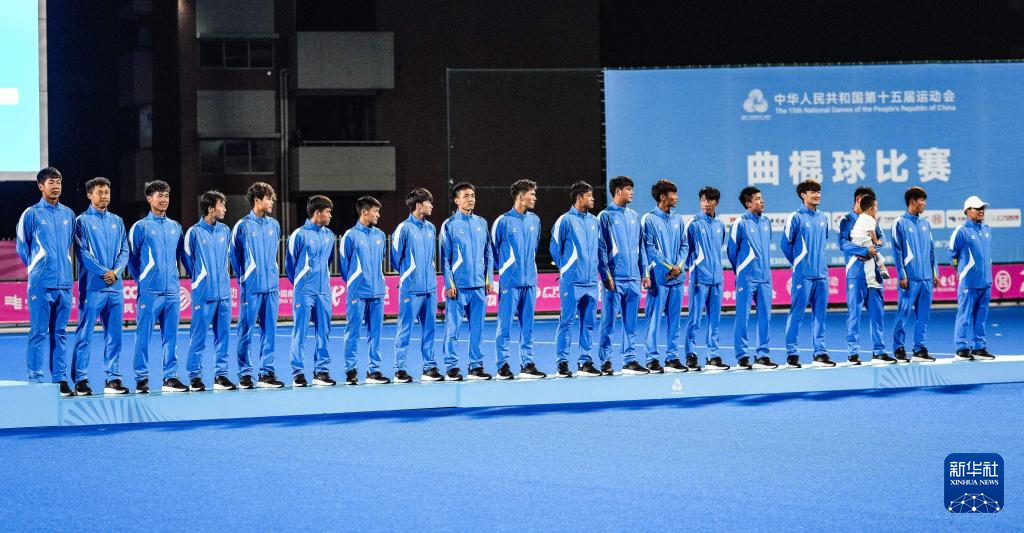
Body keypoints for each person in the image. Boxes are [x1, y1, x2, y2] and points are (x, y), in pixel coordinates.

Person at [16, 167, 76, 395]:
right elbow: (22, 247)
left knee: (60, 333)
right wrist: (37, 269)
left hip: (64, 285)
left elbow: (69, 246)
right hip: (41, 285)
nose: (56, 186)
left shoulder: (68, 214)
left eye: (59, 181)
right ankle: (36, 379)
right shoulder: (31, 214)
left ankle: (60, 379)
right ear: (41, 186)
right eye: (51, 182)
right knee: (39, 332)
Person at [70, 177, 130, 395]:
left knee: (115, 336)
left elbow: (125, 251)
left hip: (115, 288)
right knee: (85, 335)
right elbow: (83, 254)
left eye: (107, 192)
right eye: (100, 192)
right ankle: (81, 379)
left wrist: (115, 273)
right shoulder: (81, 222)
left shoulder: (117, 221)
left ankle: (113, 379)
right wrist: (104, 272)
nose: (104, 196)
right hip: (93, 288)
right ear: (89, 195)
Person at [127, 180, 187, 393]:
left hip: (172, 292)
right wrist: (143, 281)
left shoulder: (175, 227)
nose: (163, 200)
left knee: (171, 338)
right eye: (159, 195)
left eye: (166, 196)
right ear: (149, 198)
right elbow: (131, 258)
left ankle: (170, 377)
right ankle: (141, 378)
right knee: (142, 337)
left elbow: (179, 255)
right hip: (149, 292)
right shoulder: (140, 227)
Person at [231, 182, 284, 389]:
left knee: (269, 332)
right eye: (269, 198)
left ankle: (266, 373)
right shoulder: (242, 226)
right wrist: (244, 279)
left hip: (271, 288)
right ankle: (245, 374)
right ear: (257, 200)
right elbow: (234, 256)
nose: (272, 202)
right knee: (245, 331)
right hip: (251, 288)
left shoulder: (274, 225)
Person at [492, 179, 547, 379]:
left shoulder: (535, 220)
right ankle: (503, 365)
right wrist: (507, 270)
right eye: (532, 194)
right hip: (510, 283)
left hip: (530, 282)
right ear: (521, 196)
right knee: (505, 326)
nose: (535, 198)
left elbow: (534, 247)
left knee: (528, 327)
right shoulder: (503, 221)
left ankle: (527, 364)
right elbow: (494, 250)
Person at [597, 176, 650, 376]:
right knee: (608, 322)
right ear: (618, 191)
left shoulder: (635, 216)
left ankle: (630, 360)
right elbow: (601, 249)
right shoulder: (605, 216)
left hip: (634, 279)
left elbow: (641, 247)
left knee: (631, 324)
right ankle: (606, 361)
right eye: (628, 189)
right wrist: (606, 275)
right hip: (614, 280)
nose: (632, 192)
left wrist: (644, 272)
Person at [440, 182, 493, 381]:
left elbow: (488, 253)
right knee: (452, 330)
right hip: (458, 288)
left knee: (478, 329)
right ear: (456, 200)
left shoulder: (482, 223)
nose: (470, 199)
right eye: (466, 196)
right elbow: (445, 258)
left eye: (472, 195)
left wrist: (488, 278)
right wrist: (449, 284)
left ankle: (476, 366)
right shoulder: (449, 225)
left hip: (479, 286)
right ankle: (452, 367)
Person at [182, 190, 234, 391]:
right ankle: (195, 377)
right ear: (211, 208)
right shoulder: (194, 233)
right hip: (203, 295)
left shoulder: (225, 231)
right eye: (222, 205)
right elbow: (188, 261)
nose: (225, 209)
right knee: (198, 337)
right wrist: (200, 281)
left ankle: (221, 375)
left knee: (223, 337)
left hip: (224, 294)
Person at [781, 179, 835, 368]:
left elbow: (822, 243)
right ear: (803, 195)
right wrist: (798, 264)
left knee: (820, 316)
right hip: (803, 276)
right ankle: (792, 353)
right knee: (797, 314)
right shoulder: (795, 217)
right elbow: (785, 244)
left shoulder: (823, 217)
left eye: (818, 191)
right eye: (813, 192)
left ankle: (820, 352)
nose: (817, 195)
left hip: (822, 275)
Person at [391, 188, 443, 383]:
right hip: (411, 290)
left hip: (430, 288)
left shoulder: (431, 228)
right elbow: (395, 258)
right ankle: (399, 369)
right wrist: (409, 276)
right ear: (419, 205)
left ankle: (429, 368)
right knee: (405, 329)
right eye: (429, 202)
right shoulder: (403, 228)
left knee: (430, 330)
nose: (432, 206)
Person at [551, 181, 602, 377]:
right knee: (566, 321)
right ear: (579, 198)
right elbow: (555, 247)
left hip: (591, 282)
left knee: (588, 323)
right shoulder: (565, 220)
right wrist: (566, 270)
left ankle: (585, 362)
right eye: (590, 195)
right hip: (572, 282)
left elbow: (598, 249)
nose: (593, 199)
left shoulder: (594, 221)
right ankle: (562, 363)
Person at [286, 195, 338, 387]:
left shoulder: (329, 235)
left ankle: (321, 372)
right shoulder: (299, 235)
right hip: (304, 292)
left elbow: (328, 262)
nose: (330, 215)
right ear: (317, 213)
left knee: (324, 333)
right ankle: (298, 373)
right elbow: (290, 265)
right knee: (300, 332)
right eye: (328, 212)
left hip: (323, 292)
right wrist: (301, 285)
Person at [339, 196, 390, 385]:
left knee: (375, 333)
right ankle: (350, 371)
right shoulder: (350, 236)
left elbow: (381, 260)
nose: (378, 215)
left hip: (377, 292)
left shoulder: (380, 235)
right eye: (375, 211)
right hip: (357, 293)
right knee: (353, 332)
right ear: (364, 212)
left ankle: (374, 371)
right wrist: (355, 283)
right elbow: (344, 266)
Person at [728, 187, 779, 370]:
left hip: (765, 278)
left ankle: (763, 355)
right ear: (748, 204)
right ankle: (742, 356)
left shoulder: (766, 222)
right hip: (746, 278)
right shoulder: (740, 223)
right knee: (743, 318)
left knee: (765, 318)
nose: (761, 201)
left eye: (761, 197)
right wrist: (742, 271)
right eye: (757, 198)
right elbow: (732, 252)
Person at [641, 179, 689, 373]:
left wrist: (678, 266)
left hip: (677, 278)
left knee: (675, 321)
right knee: (654, 320)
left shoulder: (678, 219)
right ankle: (651, 358)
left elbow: (685, 245)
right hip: (659, 278)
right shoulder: (649, 219)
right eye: (673, 194)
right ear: (663, 196)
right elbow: (649, 248)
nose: (676, 197)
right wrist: (669, 267)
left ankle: (672, 357)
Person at [683, 186, 729, 371]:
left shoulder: (720, 225)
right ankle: (690, 355)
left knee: (714, 321)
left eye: (710, 200)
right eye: (703, 200)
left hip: (717, 280)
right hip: (699, 280)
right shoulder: (693, 224)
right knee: (694, 320)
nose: (706, 203)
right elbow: (685, 251)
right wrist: (694, 269)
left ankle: (713, 356)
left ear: (717, 202)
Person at [843, 194, 893, 365]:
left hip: (873, 273)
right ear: (858, 200)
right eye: (875, 206)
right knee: (854, 314)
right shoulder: (846, 221)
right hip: (856, 273)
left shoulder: (873, 221)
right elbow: (843, 244)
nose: (876, 209)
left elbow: (881, 239)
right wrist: (865, 251)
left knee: (877, 313)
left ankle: (879, 351)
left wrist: (873, 247)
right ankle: (853, 353)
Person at [891, 186, 937, 363]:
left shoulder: (925, 224)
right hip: (910, 279)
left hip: (926, 278)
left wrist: (934, 272)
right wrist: (901, 275)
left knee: (923, 316)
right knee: (903, 314)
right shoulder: (900, 223)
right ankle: (898, 348)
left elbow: (931, 250)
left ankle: (919, 348)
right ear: (912, 202)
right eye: (922, 200)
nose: (924, 204)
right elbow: (897, 252)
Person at [949, 195, 996, 361]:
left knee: (981, 318)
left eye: (982, 208)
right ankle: (961, 347)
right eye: (977, 208)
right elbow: (952, 254)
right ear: (967, 211)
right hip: (969, 284)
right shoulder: (961, 231)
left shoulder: (987, 230)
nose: (981, 211)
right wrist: (962, 273)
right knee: (964, 317)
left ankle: (979, 347)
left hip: (986, 283)